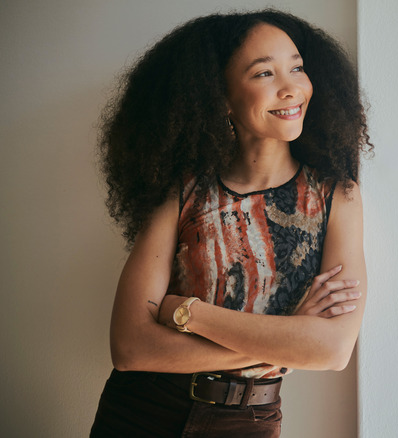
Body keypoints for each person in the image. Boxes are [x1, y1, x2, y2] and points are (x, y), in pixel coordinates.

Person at [90, 9, 371, 437]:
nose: (291, 87)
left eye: (297, 67)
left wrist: (183, 313)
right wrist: (280, 341)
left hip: (248, 421)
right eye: (264, 74)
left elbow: (331, 350)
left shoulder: (336, 196)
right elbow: (129, 347)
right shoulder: (181, 191)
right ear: (220, 97)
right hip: (141, 411)